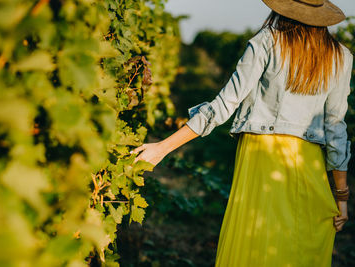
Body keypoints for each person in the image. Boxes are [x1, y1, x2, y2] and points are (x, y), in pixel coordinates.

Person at [131, 0, 352, 266]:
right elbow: (336, 130)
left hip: (262, 156)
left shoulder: (267, 41)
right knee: (297, 249)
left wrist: (162, 147)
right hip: (309, 165)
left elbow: (224, 105)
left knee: (255, 247)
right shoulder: (341, 56)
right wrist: (341, 197)